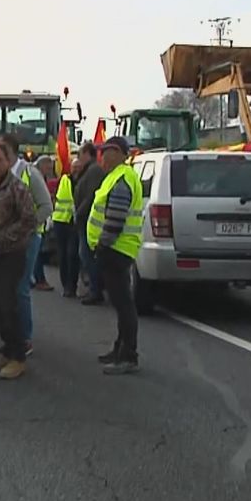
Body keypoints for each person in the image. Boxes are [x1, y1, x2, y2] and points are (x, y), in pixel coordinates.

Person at [0, 141, 37, 379]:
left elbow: (29, 220)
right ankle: (6, 349)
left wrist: (4, 238)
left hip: (11, 254)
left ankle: (18, 356)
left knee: (7, 303)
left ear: (8, 161)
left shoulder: (17, 187)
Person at [88, 136, 145, 375]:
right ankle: (120, 349)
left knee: (123, 305)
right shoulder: (114, 177)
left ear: (122, 154)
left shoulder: (122, 178)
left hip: (116, 249)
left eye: (109, 151)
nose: (104, 156)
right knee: (120, 304)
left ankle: (128, 356)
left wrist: (102, 245)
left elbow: (116, 218)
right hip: (116, 249)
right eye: (102, 151)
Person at [0, 133, 52, 356]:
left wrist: (27, 228)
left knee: (20, 288)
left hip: (27, 240)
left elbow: (46, 206)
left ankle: (24, 339)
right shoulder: (0, 174)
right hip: (6, 241)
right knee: (7, 289)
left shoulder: (30, 173)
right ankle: (12, 337)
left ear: (10, 150)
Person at [73, 142, 105, 305]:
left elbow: (91, 195)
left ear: (88, 154)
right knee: (84, 255)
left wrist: (79, 213)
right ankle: (93, 288)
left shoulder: (94, 171)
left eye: (80, 154)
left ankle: (95, 289)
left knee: (87, 255)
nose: (78, 158)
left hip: (89, 220)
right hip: (85, 220)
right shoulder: (89, 171)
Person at [51, 156, 79, 297]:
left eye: (78, 168)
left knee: (72, 255)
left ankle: (72, 285)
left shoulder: (82, 181)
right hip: (61, 222)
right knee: (63, 255)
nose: (76, 170)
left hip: (74, 224)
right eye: (74, 167)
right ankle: (66, 285)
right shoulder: (65, 180)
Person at [31, 156, 57, 292]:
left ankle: (33, 279)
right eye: (48, 167)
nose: (49, 170)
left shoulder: (39, 176)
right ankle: (39, 280)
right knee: (36, 254)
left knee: (36, 254)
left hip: (39, 222)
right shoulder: (35, 177)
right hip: (35, 223)